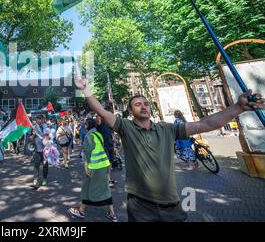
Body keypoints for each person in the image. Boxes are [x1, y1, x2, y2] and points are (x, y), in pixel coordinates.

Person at [75, 77, 264, 222]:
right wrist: (86, 90)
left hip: (172, 205)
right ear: (130, 111)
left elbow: (205, 124)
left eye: (146, 103)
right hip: (140, 206)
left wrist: (238, 108)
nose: (144, 106)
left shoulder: (168, 128)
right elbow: (101, 111)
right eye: (138, 104)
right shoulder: (126, 127)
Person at [68, 117, 119, 222]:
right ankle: (112, 214)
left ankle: (81, 211)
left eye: (85, 124)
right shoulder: (98, 134)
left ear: (87, 126)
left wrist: (86, 166)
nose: (84, 126)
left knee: (88, 188)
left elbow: (88, 153)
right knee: (105, 188)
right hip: (104, 164)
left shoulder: (88, 136)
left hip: (95, 166)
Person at [95, 114, 117, 188]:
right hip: (104, 147)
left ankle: (109, 178)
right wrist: (101, 113)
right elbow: (98, 119)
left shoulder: (108, 125)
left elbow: (112, 132)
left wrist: (114, 138)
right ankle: (106, 180)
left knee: (110, 163)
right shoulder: (100, 124)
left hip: (111, 146)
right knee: (106, 163)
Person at [30, 117, 49, 190]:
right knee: (36, 165)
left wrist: (46, 137)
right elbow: (31, 139)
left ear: (42, 120)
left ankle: (44, 178)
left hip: (45, 151)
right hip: (36, 151)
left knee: (45, 166)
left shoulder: (45, 128)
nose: (38, 121)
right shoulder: (34, 129)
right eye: (37, 120)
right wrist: (34, 134)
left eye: (39, 119)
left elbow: (49, 138)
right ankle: (35, 180)